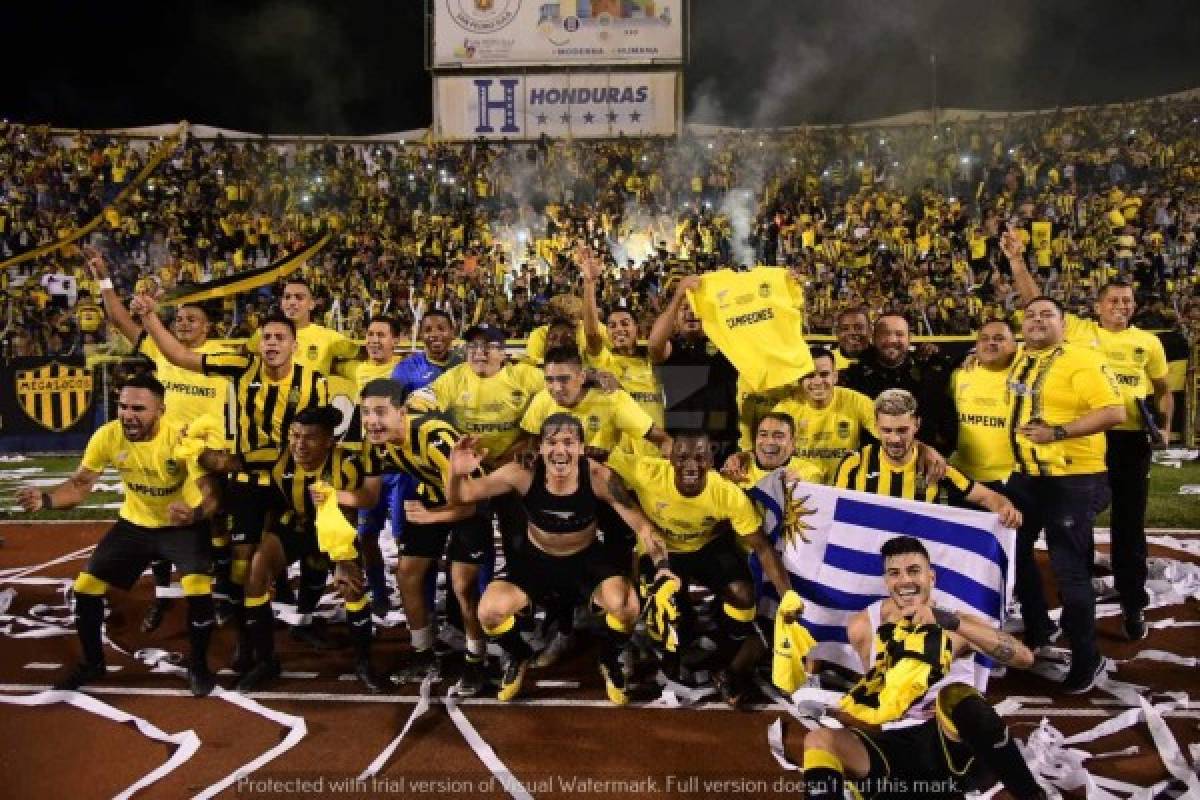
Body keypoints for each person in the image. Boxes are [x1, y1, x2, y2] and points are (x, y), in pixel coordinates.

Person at [131, 295, 330, 662]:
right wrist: (149, 317)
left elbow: (318, 438)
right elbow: (179, 356)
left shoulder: (314, 383)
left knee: (317, 551)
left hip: (291, 481)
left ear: (294, 345)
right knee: (244, 559)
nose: (271, 343)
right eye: (265, 337)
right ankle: (247, 637)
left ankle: (303, 620)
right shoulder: (241, 365)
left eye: (279, 338)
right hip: (248, 482)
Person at [1004, 231, 1172, 640]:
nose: (1121, 306)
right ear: (1097, 306)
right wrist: (1017, 263)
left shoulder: (1148, 342)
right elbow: (1033, 302)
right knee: (1072, 521)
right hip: (1083, 442)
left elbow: (1164, 390)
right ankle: (1071, 603)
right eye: (1113, 300)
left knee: (1129, 527)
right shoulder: (1077, 331)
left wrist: (1164, 427)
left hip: (1130, 442)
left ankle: (1132, 604)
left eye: (1127, 301)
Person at [15, 374, 220, 696]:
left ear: (161, 410)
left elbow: (212, 492)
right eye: (123, 406)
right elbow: (81, 486)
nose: (127, 414)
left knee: (198, 592)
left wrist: (195, 514)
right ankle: (94, 663)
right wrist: (47, 499)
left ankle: (199, 667)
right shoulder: (108, 436)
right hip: (134, 525)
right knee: (85, 589)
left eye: (138, 408)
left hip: (182, 526)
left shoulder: (179, 439)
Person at [446, 414, 669, 705]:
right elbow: (461, 496)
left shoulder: (600, 477)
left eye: (568, 442)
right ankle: (519, 654)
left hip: (586, 563)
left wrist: (664, 570)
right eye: (551, 442)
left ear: (580, 448)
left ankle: (609, 658)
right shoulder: (521, 473)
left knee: (627, 606)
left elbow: (643, 527)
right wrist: (456, 472)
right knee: (489, 611)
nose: (560, 450)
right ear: (540, 447)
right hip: (535, 564)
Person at [799, 536, 1045, 800]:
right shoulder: (863, 627)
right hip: (896, 750)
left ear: (932, 578)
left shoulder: (956, 623)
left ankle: (1032, 796)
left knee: (956, 695)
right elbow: (875, 694)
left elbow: (1024, 658)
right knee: (819, 740)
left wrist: (947, 621)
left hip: (953, 747)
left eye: (914, 571)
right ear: (886, 581)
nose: (904, 580)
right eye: (895, 573)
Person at [86, 244, 234, 633]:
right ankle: (164, 598)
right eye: (179, 318)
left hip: (207, 457)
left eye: (191, 319)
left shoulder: (226, 354)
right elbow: (119, 319)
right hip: (165, 456)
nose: (182, 324)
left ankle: (220, 597)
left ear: (210, 327)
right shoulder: (162, 350)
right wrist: (103, 276)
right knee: (158, 527)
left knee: (215, 526)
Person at [607, 429, 796, 706]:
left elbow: (763, 547)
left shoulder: (727, 494)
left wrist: (787, 595)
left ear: (711, 459)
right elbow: (600, 457)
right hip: (661, 552)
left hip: (708, 548)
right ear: (670, 457)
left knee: (743, 595)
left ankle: (726, 648)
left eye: (699, 457)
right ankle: (666, 651)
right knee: (665, 609)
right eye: (682, 457)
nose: (691, 465)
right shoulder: (647, 471)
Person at [1004, 295, 1125, 692]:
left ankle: (1087, 658)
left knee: (1069, 570)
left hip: (1071, 479)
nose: (1037, 320)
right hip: (1027, 478)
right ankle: (1041, 631)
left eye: (1047, 315)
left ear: (1064, 322)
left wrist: (1058, 432)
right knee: (1015, 554)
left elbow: (1114, 411)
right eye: (1031, 315)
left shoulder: (1081, 359)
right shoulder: (1023, 356)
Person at [235, 406, 384, 692]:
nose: (299, 444)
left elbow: (364, 501)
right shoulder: (277, 455)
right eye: (295, 435)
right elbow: (226, 462)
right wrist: (191, 449)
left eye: (310, 438)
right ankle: (265, 661)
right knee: (255, 573)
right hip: (295, 526)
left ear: (329, 441)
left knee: (351, 585)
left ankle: (364, 663)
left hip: (335, 530)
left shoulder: (347, 465)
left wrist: (342, 558)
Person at [359, 378, 493, 695]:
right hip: (433, 496)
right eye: (366, 412)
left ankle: (477, 661)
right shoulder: (376, 441)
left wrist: (433, 516)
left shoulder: (433, 436)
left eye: (380, 412)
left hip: (472, 499)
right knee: (407, 574)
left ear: (402, 412)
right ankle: (424, 654)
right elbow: (366, 494)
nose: (372, 421)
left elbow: (473, 501)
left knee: (462, 584)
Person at [833, 389, 1022, 527]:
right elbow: (835, 510)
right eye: (886, 430)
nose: (895, 439)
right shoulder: (854, 464)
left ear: (916, 425)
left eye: (902, 430)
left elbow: (987, 497)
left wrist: (1006, 509)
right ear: (876, 427)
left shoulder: (935, 467)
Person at [580, 248, 665, 457]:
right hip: (619, 456)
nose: (619, 329)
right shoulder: (605, 362)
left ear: (638, 329)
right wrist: (590, 284)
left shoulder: (652, 360)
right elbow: (591, 334)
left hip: (655, 452)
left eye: (625, 323)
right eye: (612, 326)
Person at [345, 316, 404, 617]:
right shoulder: (355, 369)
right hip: (368, 466)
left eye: (382, 334)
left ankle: (413, 593)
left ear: (396, 339)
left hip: (400, 467)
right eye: (370, 334)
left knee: (403, 537)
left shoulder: (406, 370)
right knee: (366, 535)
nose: (375, 341)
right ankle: (379, 591)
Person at [771, 347, 879, 483]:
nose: (817, 382)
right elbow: (769, 452)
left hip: (843, 488)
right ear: (800, 379)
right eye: (809, 375)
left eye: (824, 374)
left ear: (835, 376)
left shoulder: (857, 402)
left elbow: (887, 434)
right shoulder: (784, 410)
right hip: (800, 489)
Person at [842, 313, 952, 446]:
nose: (892, 340)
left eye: (899, 334)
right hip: (871, 460)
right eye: (885, 334)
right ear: (874, 338)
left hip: (920, 459)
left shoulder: (929, 372)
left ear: (909, 338)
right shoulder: (854, 376)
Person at [946, 320, 1018, 488]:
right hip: (962, 475)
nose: (991, 343)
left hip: (1010, 477)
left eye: (999, 338)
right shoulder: (959, 374)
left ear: (1015, 345)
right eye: (984, 339)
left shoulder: (1025, 376)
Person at [248, 279, 360, 376]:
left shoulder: (328, 337)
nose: (292, 302)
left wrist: (337, 367)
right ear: (282, 304)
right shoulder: (263, 333)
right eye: (287, 297)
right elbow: (245, 351)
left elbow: (359, 353)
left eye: (299, 297)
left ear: (311, 304)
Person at [832, 306, 871, 370]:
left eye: (859, 328)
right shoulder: (825, 360)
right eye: (845, 328)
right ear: (837, 333)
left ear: (870, 331)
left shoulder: (884, 359)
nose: (852, 332)